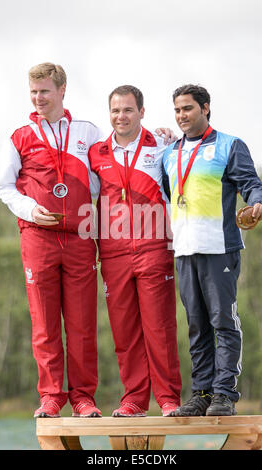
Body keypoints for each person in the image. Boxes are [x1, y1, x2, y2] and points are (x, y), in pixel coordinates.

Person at [0, 63, 103, 418]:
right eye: (33, 92)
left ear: (62, 90)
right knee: (44, 323)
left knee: (83, 323)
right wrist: (28, 209)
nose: (38, 98)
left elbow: (108, 169)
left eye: (44, 91)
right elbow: (4, 186)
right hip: (38, 237)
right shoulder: (21, 135)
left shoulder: (87, 131)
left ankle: (84, 398)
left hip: (80, 237)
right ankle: (52, 396)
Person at [162, 84, 262, 416]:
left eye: (188, 109)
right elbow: (169, 194)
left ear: (205, 108)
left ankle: (225, 394)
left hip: (219, 249)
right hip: (184, 250)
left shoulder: (229, 145)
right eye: (178, 110)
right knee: (196, 325)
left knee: (223, 321)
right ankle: (202, 394)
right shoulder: (170, 153)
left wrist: (258, 201)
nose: (182, 115)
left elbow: (250, 183)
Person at [88, 85, 182, 417]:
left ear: (142, 112)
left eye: (128, 110)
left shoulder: (162, 145)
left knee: (160, 327)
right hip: (113, 253)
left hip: (154, 247)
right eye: (115, 111)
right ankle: (134, 400)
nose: (121, 116)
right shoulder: (96, 152)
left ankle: (169, 398)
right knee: (125, 331)